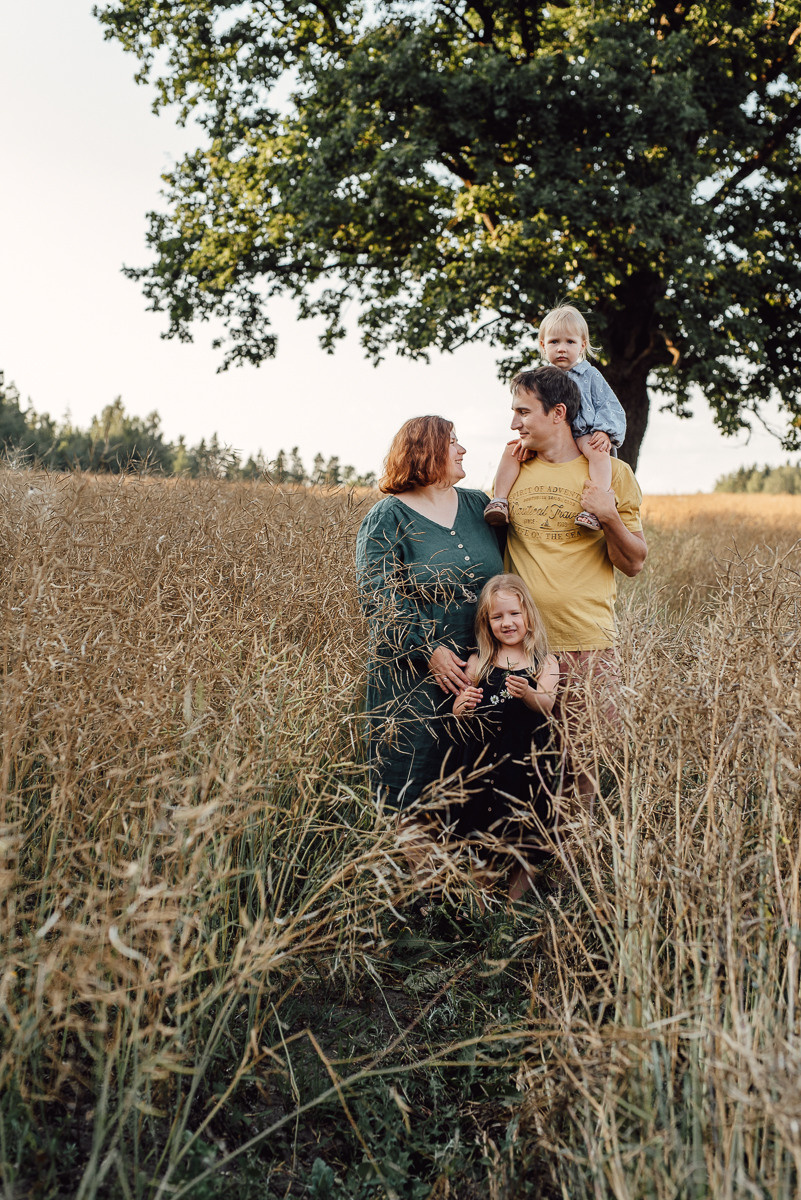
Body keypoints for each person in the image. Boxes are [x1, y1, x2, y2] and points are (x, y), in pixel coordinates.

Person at [501, 365, 647, 799]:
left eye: (524, 412)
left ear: (558, 413)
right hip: (521, 646)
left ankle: (573, 860)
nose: (514, 423)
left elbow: (635, 562)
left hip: (589, 642)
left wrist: (608, 516)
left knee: (584, 760)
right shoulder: (512, 470)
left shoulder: (611, 475)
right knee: (521, 763)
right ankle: (523, 861)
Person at [356, 416, 505, 812]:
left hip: (482, 668)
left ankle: (471, 869)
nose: (463, 449)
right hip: (413, 678)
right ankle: (419, 873)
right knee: (412, 789)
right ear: (426, 450)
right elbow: (378, 599)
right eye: (453, 441)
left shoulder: (480, 505)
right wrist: (429, 651)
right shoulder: (387, 518)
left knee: (476, 785)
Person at [450, 574, 560, 901]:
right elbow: (461, 710)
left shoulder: (544, 662)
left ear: (528, 616)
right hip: (484, 763)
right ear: (486, 623)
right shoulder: (478, 663)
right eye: (497, 617)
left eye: (514, 614)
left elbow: (547, 704)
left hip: (525, 764)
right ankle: (480, 903)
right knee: (479, 834)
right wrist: (461, 707)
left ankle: (514, 904)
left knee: (524, 834)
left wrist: (528, 692)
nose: (507, 622)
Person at [484, 305, 627, 532]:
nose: (562, 349)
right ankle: (499, 500)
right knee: (512, 450)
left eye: (570, 342)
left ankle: (594, 509)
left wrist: (605, 430)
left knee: (599, 453)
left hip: (583, 432)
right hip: (547, 436)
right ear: (543, 345)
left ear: (583, 345)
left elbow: (609, 405)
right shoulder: (540, 379)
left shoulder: (590, 376)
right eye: (554, 342)